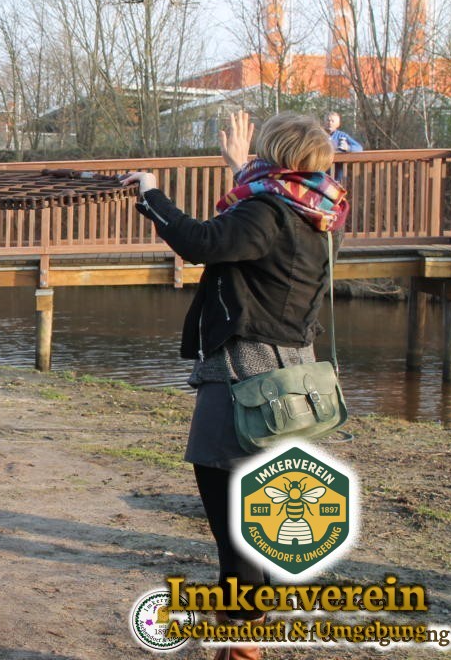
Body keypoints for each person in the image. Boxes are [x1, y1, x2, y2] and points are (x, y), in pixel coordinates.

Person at [121, 111, 349, 660]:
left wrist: (150, 193)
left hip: (246, 383)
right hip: (289, 384)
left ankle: (244, 647)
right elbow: (249, 228)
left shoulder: (267, 211)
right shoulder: (316, 209)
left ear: (275, 155)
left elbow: (203, 241)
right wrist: (240, 166)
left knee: (237, 531)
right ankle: (242, 642)